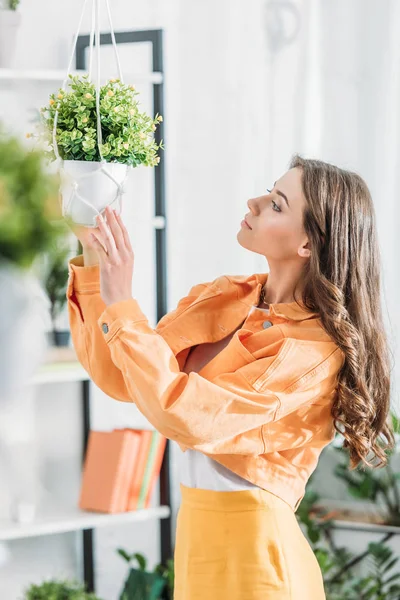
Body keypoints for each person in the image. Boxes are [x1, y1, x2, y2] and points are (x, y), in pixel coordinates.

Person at [66, 155, 395, 600]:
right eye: (268, 190)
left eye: (277, 204)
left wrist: (123, 301)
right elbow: (122, 378)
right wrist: (94, 257)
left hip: (259, 558)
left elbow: (185, 416)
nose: (254, 202)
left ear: (307, 245)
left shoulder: (313, 350)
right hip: (197, 541)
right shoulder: (226, 295)